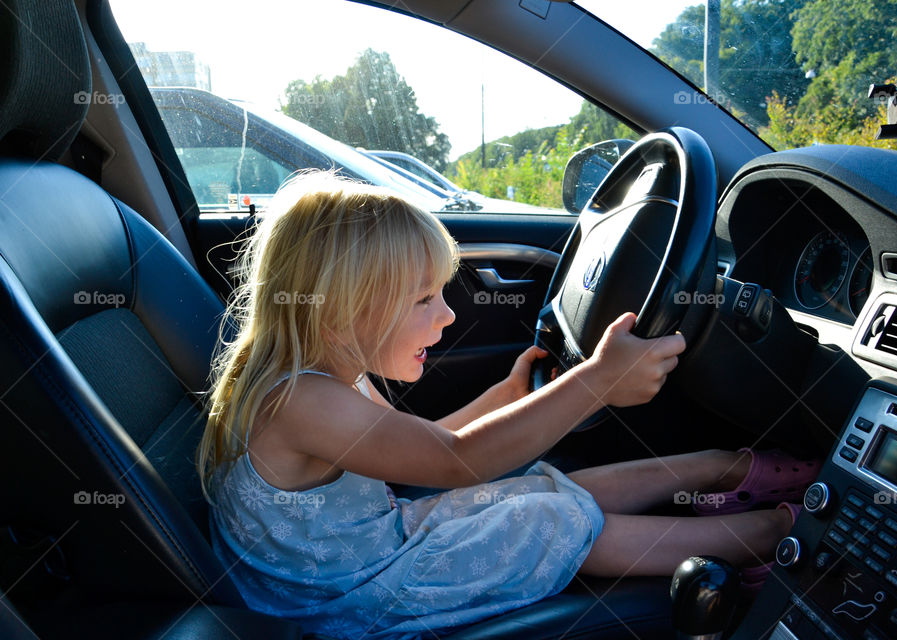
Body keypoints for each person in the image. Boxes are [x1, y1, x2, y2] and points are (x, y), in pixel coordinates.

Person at [197, 171, 819, 639]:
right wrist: (596, 382)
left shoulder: (315, 373)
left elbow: (404, 449)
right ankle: (768, 534)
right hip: (346, 596)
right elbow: (455, 462)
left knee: (536, 489)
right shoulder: (302, 401)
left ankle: (719, 468)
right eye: (422, 300)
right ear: (336, 303)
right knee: (544, 520)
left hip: (367, 545)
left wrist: (505, 396)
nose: (445, 315)